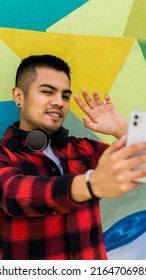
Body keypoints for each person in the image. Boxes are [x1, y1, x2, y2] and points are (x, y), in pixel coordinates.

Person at [0, 54, 146, 260]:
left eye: (65, 96)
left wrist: (122, 130)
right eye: (47, 91)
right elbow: (13, 194)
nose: (59, 102)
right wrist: (89, 185)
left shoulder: (85, 149)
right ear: (18, 96)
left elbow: (141, 167)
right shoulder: (3, 154)